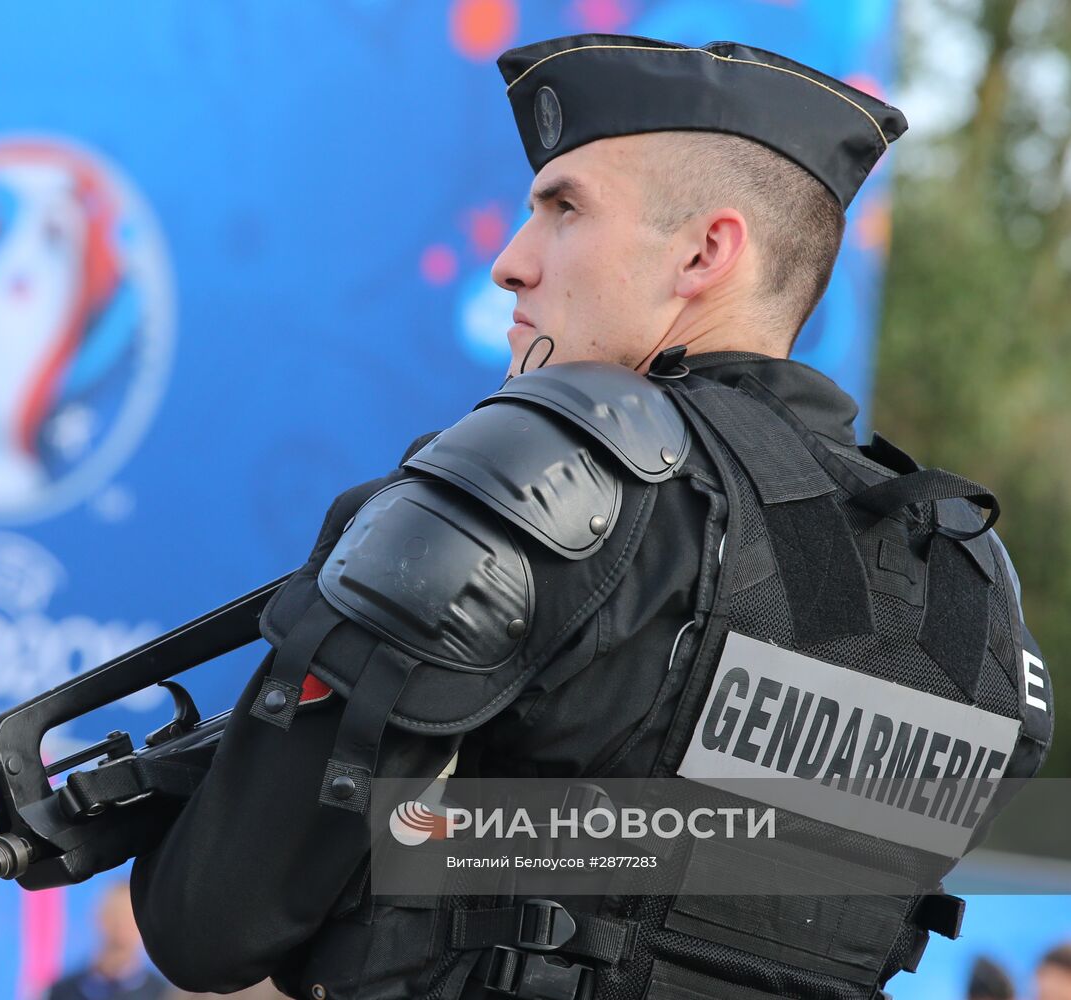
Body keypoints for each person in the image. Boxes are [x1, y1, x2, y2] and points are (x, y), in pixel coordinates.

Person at [129, 33, 1054, 1000]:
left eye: (562, 209)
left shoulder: (545, 480)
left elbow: (210, 925)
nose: (510, 263)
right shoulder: (968, 585)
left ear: (704, 251)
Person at [46, 880, 167, 1000]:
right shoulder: (64, 991)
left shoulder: (163, 993)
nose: (121, 925)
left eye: (129, 918)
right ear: (99, 918)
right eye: (115, 915)